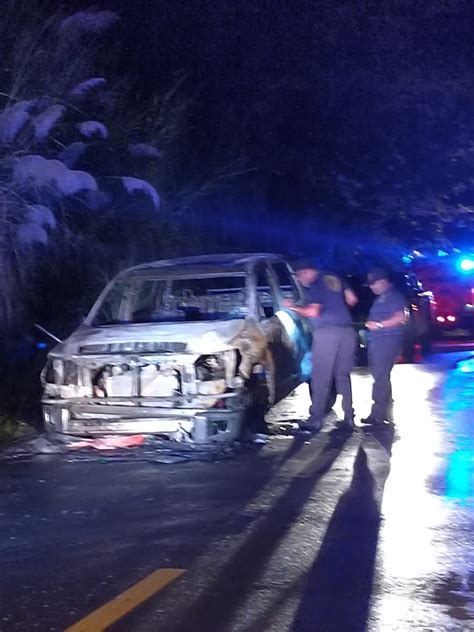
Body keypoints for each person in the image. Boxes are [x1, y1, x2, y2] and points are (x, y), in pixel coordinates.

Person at [284, 259, 358, 432]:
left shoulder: (316, 285)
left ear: (306, 272)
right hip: (347, 332)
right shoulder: (334, 277)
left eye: (299, 276)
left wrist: (292, 307)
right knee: (342, 376)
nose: (300, 281)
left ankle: (315, 419)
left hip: (327, 334)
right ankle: (349, 417)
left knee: (320, 377)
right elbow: (352, 299)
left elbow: (314, 312)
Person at [362, 268, 408, 426]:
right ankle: (386, 413)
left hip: (386, 341)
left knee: (380, 378)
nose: (371, 287)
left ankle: (377, 415)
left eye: (373, 284)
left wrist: (380, 325)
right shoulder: (383, 297)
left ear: (383, 281)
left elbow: (401, 317)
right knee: (382, 377)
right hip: (379, 341)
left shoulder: (393, 296)